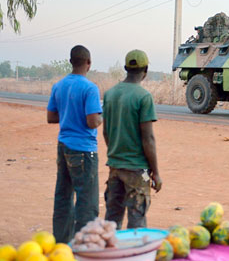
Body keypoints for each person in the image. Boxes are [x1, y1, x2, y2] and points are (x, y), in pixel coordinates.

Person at [47, 45, 103, 243]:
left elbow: (51, 117)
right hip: (84, 150)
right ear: (88, 63)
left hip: (64, 146)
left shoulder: (59, 86)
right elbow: (92, 121)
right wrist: (101, 116)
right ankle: (84, 246)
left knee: (63, 196)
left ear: (71, 62)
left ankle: (62, 243)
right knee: (87, 201)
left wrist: (68, 114)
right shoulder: (90, 88)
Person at [103, 49, 162, 229]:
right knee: (137, 220)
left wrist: (117, 153)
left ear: (125, 68)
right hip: (138, 170)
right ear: (145, 71)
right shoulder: (143, 97)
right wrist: (155, 172)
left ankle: (109, 255)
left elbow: (106, 132)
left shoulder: (110, 94)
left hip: (115, 166)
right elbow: (148, 138)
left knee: (112, 220)